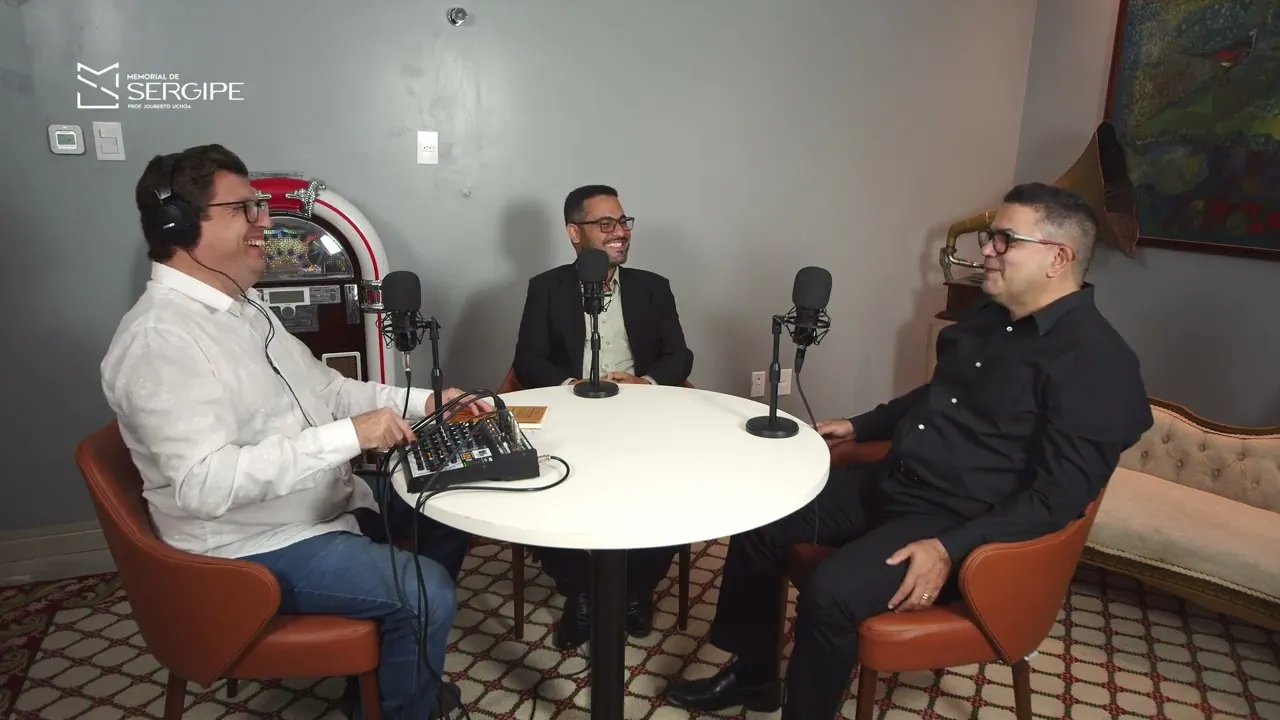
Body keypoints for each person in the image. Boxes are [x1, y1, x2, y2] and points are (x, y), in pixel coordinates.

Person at [664, 182, 1154, 720]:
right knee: (761, 516)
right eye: (990, 237)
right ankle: (754, 675)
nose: (986, 250)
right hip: (894, 479)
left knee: (832, 592)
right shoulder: (990, 316)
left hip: (960, 519)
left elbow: (1056, 501)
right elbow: (937, 394)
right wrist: (861, 424)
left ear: (1058, 258)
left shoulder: (1098, 362)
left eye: (1004, 240)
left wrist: (948, 547)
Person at [100, 144, 492, 720]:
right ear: (180, 225)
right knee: (424, 590)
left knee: (448, 506)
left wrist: (427, 402)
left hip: (319, 502)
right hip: (251, 546)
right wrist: (350, 437)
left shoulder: (248, 309)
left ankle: (384, 676)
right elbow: (205, 485)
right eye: (245, 208)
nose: (265, 222)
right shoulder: (159, 341)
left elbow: (329, 391)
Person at [511, 184, 693, 650]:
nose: (621, 233)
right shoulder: (546, 288)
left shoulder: (653, 287)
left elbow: (679, 356)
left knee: (678, 485)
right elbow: (528, 360)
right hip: (569, 412)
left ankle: (635, 589)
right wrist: (572, 386)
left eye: (623, 222)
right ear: (575, 233)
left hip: (640, 413)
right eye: (606, 224)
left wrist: (645, 383)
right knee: (533, 487)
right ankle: (582, 590)